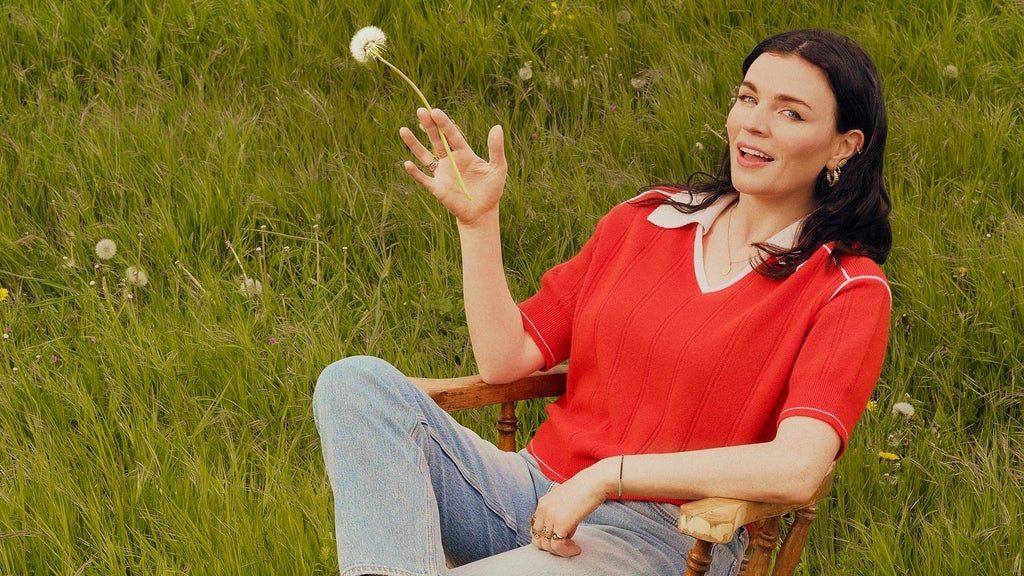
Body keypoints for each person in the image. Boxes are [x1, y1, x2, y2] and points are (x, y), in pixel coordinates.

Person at [313, 28, 892, 576]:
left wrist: (608, 477)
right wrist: (478, 221)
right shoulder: (649, 219)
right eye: (748, 98)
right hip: (529, 491)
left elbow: (797, 468)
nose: (754, 123)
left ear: (844, 147)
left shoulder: (845, 289)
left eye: (790, 113)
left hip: (661, 537)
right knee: (354, 383)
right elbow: (505, 359)